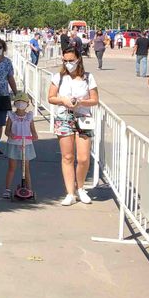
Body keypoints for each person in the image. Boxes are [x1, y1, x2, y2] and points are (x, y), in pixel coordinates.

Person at [48, 48, 98, 205]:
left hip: (83, 117)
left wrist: (80, 102)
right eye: (66, 61)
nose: (69, 64)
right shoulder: (59, 78)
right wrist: (63, 100)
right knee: (67, 156)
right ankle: (70, 193)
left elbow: (95, 99)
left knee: (83, 158)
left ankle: (81, 188)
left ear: (78, 60)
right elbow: (51, 97)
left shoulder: (88, 78)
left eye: (71, 60)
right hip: (64, 117)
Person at [1, 92, 37, 200]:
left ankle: (29, 188)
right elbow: (7, 131)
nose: (21, 104)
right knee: (12, 167)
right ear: (15, 103)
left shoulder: (29, 116)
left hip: (26, 144)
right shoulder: (11, 116)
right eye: (18, 102)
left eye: (23, 102)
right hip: (14, 144)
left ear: (27, 104)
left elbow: (33, 131)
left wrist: (34, 136)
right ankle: (7, 189)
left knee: (26, 168)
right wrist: (11, 135)